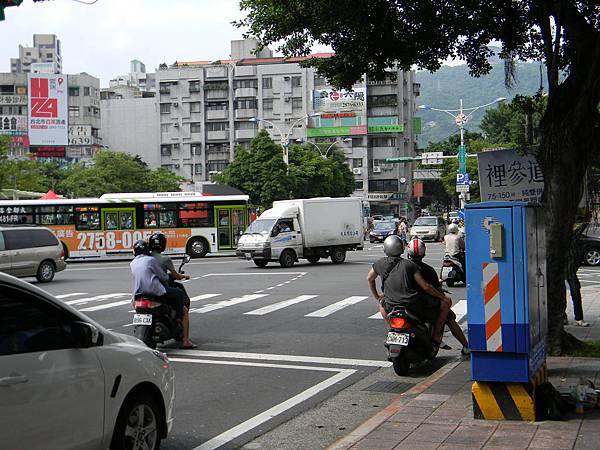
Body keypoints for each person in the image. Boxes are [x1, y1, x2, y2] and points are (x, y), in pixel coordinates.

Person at [367, 235, 452, 351]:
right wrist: (442, 297)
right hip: (412, 304)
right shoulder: (409, 265)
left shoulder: (379, 264)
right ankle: (437, 336)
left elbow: (370, 278)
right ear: (402, 249)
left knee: (381, 305)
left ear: (385, 249)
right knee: (443, 305)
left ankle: (392, 330)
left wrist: (377, 296)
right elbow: (426, 287)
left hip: (391, 305)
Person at [406, 238, 470, 355]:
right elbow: (430, 288)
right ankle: (462, 344)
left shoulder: (401, 267)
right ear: (423, 252)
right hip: (424, 304)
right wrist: (442, 296)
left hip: (404, 303)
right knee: (449, 317)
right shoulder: (428, 270)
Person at [130, 239, 196, 349]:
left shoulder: (132, 263)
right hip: (155, 291)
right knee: (179, 293)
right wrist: (168, 276)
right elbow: (163, 276)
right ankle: (183, 333)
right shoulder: (150, 260)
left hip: (137, 295)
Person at [148, 231, 191, 306]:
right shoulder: (165, 259)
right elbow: (175, 276)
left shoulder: (145, 258)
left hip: (144, 289)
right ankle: (179, 316)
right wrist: (183, 276)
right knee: (180, 293)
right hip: (160, 288)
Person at [565, 223, 590, 327]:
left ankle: (578, 318)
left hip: (570, 270)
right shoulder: (562, 242)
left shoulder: (573, 240)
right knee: (561, 294)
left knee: (575, 292)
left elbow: (580, 228)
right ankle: (563, 317)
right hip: (562, 269)